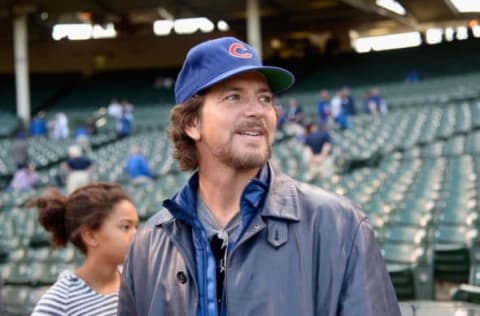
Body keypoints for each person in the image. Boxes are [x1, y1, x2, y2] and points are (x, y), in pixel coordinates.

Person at [118, 36, 400, 316]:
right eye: (233, 97)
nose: (257, 111)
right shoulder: (148, 243)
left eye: (264, 98)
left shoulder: (339, 225)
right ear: (192, 123)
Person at [30, 183, 139, 316]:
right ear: (91, 236)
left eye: (136, 226)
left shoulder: (137, 281)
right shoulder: (59, 302)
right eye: (125, 227)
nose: (136, 235)